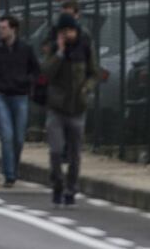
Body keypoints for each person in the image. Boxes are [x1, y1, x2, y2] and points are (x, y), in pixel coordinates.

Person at [44, 13, 98, 206]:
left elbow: (93, 73)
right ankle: (57, 183)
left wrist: (87, 88)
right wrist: (59, 52)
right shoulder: (54, 50)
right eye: (63, 32)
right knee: (56, 150)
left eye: (70, 31)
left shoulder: (84, 48)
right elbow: (47, 74)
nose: (67, 35)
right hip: (57, 107)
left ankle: (71, 188)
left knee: (75, 153)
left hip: (78, 107)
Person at [0, 15, 40, 187]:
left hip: (20, 95)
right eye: (0, 28)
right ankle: (9, 174)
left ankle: (13, 167)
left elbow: (35, 70)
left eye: (4, 28)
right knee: (7, 135)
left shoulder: (25, 48)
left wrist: (28, 82)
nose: (1, 31)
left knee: (19, 138)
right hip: (0, 95)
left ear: (13, 29)